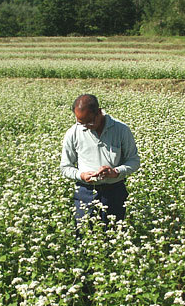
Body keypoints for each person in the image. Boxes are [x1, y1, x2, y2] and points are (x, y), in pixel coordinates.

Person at [60, 94, 140, 227]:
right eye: (81, 122)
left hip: (114, 191)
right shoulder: (73, 132)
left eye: (89, 122)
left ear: (99, 112)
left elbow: (134, 161)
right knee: (84, 233)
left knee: (113, 233)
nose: (85, 126)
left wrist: (116, 171)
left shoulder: (121, 130)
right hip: (85, 192)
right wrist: (81, 175)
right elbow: (65, 167)